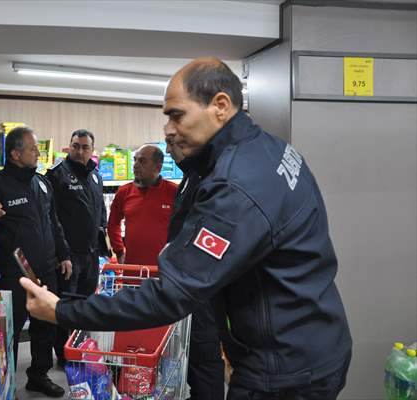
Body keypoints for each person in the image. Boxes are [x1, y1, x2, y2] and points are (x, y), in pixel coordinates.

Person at [20, 58, 352, 399]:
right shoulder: (268, 149)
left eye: (176, 115)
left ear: (220, 106)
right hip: (309, 340)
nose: (168, 129)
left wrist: (63, 309)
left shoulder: (238, 185)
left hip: (286, 368)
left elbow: (172, 294)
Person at [0, 126, 72, 397]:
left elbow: (54, 222)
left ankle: (38, 376)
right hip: (13, 273)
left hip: (46, 269)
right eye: (32, 149)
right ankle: (7, 386)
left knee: (46, 325)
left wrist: (63, 254)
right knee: (12, 331)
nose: (37, 153)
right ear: (16, 153)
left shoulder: (42, 182)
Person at [166, 134, 225, 400]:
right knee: (189, 350)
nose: (169, 150)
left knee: (204, 353)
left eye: (173, 144)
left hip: (200, 285)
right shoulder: (190, 175)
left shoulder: (210, 178)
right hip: (185, 282)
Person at [45, 128, 107, 367]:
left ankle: (81, 348)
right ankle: (64, 355)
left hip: (91, 255)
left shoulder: (95, 175)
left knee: (86, 304)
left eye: (85, 147)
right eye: (75, 146)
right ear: (68, 147)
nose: (79, 151)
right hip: (69, 257)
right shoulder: (57, 175)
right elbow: (52, 219)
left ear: (92, 151)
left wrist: (102, 240)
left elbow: (100, 209)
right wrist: (63, 254)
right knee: (66, 307)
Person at [107, 144, 178, 265]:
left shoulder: (174, 191)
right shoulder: (124, 192)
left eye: (142, 161)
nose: (135, 165)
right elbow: (113, 224)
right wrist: (119, 251)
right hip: (131, 270)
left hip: (165, 270)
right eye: (135, 160)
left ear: (158, 167)